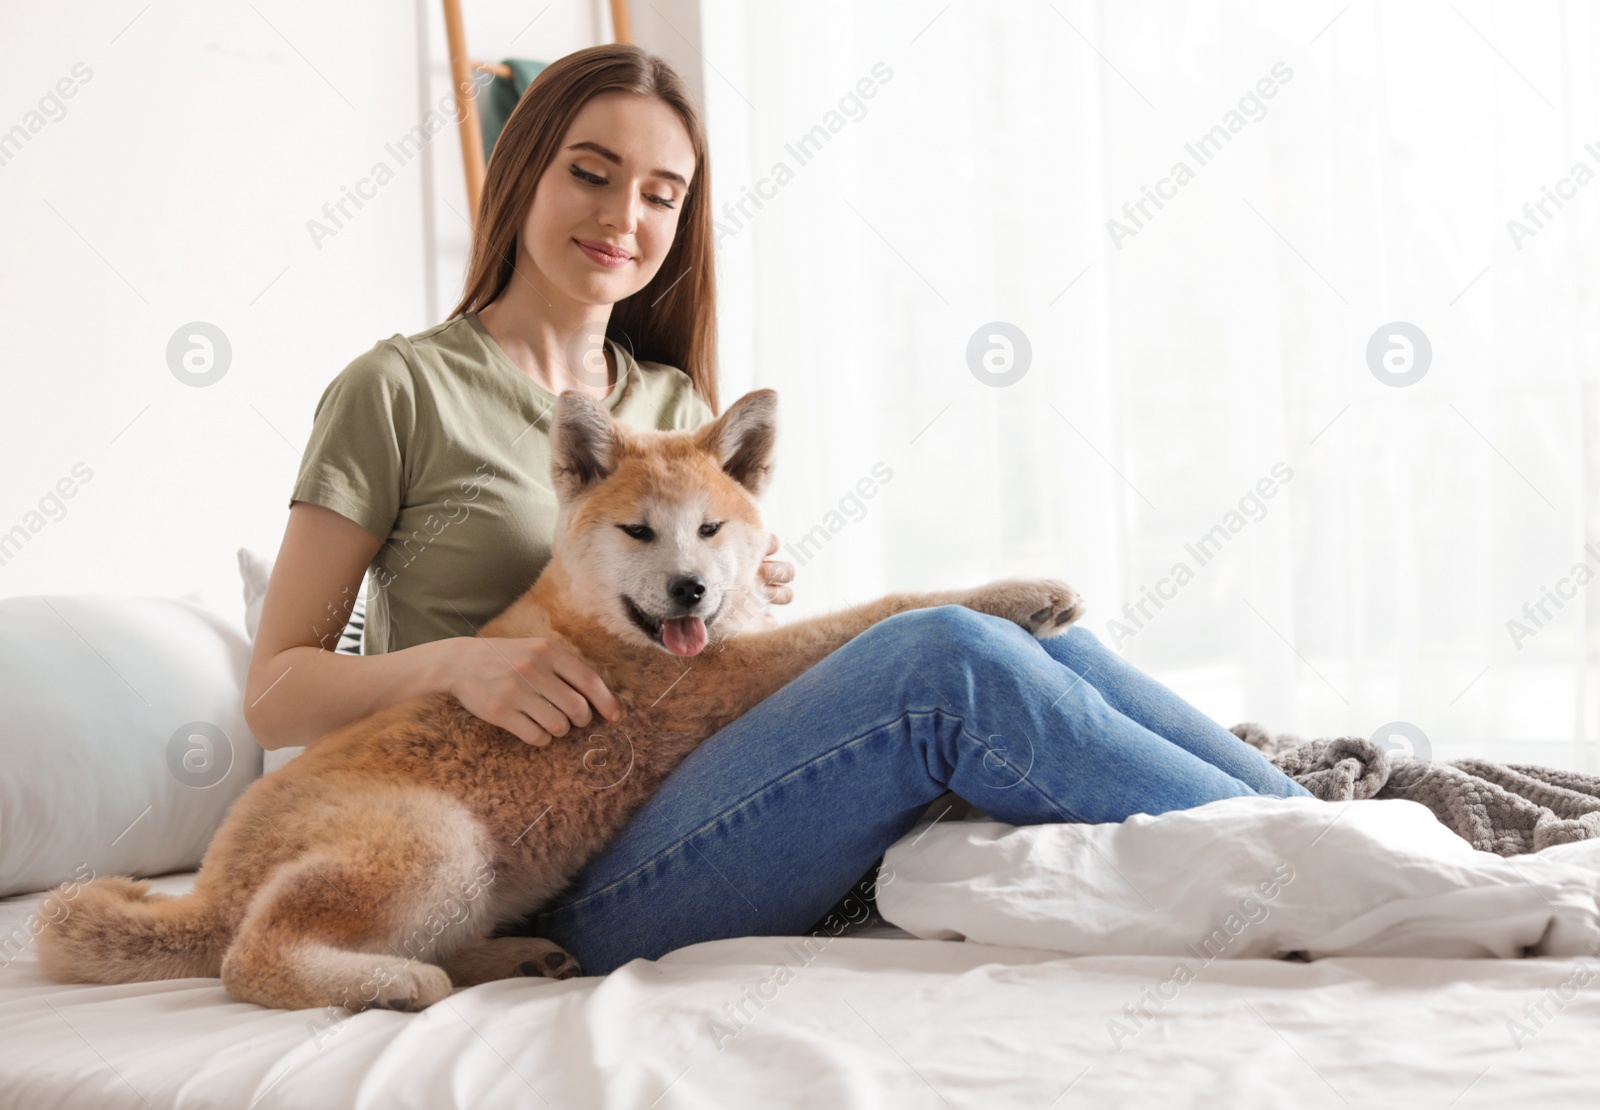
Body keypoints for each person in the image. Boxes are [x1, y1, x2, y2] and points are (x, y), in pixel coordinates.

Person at [244, 43, 1313, 980]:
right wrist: (456, 665)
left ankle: (1334, 841)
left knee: (1024, 634)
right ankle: (1320, 878)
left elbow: (703, 654)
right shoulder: (400, 390)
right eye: (591, 173)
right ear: (523, 173)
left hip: (685, 790)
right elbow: (274, 694)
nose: (624, 216)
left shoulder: (672, 404)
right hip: (523, 865)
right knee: (942, 659)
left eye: (662, 193)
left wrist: (746, 592)